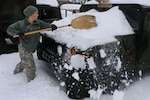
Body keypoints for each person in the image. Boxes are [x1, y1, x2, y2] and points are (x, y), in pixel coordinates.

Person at [7, 5, 57, 82]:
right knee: (31, 68)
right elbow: (9, 29)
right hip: (24, 47)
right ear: (31, 15)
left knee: (25, 62)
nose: (38, 14)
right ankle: (32, 83)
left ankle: (16, 70)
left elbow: (46, 25)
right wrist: (17, 33)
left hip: (31, 47)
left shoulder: (38, 23)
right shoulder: (21, 24)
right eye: (36, 13)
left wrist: (52, 26)